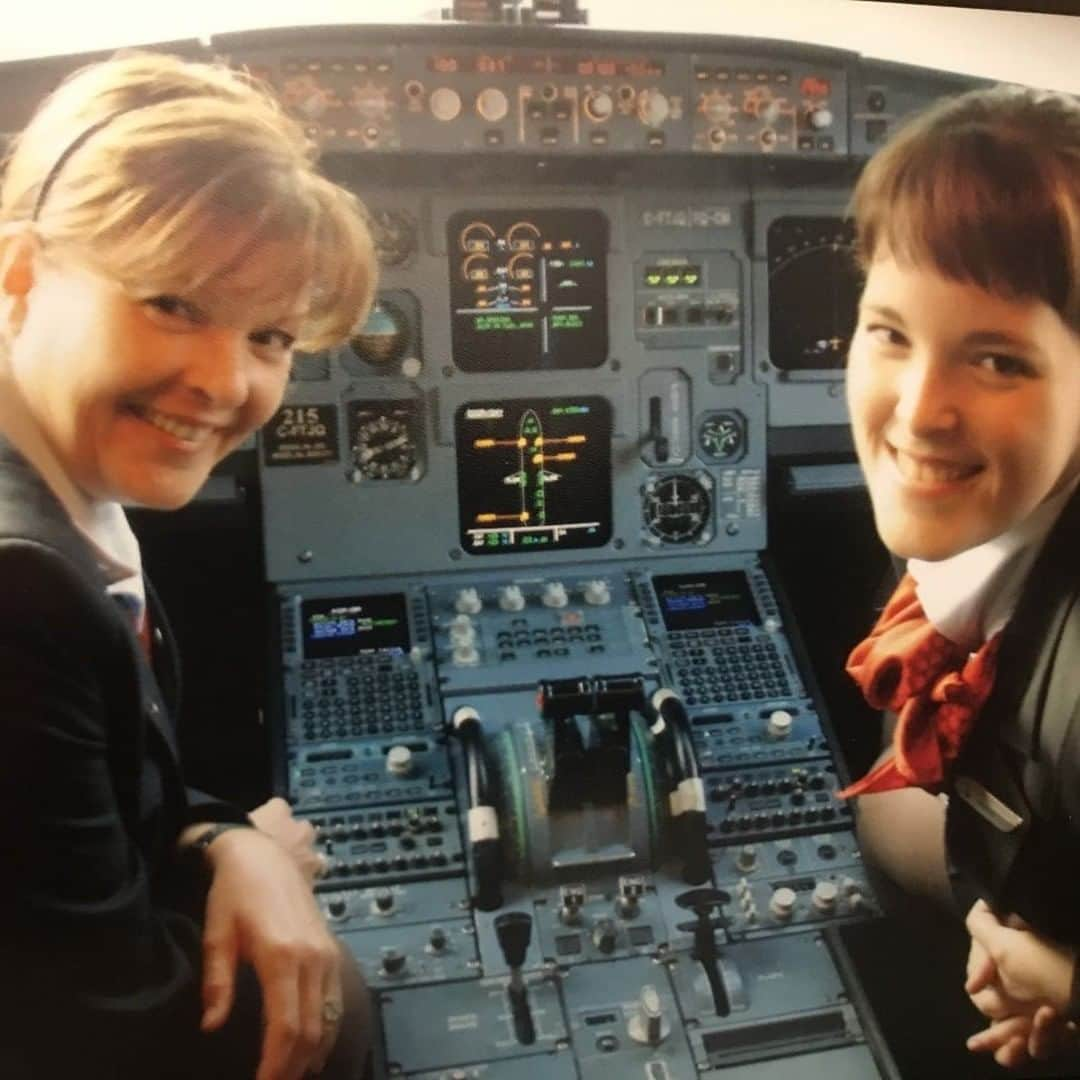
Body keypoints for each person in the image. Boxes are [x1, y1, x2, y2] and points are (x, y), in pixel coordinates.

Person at [0, 50, 377, 1078]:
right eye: (174, 303)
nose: (225, 381)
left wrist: (224, 842)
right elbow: (111, 1035)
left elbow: (106, 798)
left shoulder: (62, 511)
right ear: (22, 271)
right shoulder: (17, 592)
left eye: (270, 334)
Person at [841, 84, 1080, 1071]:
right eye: (890, 333)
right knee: (885, 812)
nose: (919, 412)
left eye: (996, 360)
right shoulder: (1003, 520)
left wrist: (1065, 987)